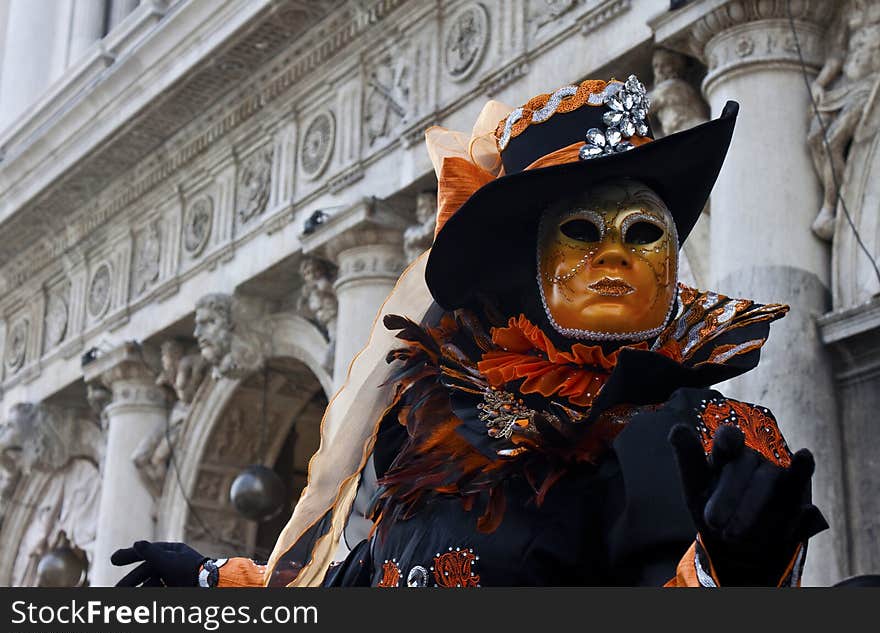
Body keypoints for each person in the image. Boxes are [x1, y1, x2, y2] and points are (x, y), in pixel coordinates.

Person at [112, 75, 827, 588]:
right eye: (583, 232)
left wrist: (733, 568)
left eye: (644, 233)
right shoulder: (438, 443)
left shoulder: (698, 436)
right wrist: (213, 578)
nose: (615, 256)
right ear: (526, 266)